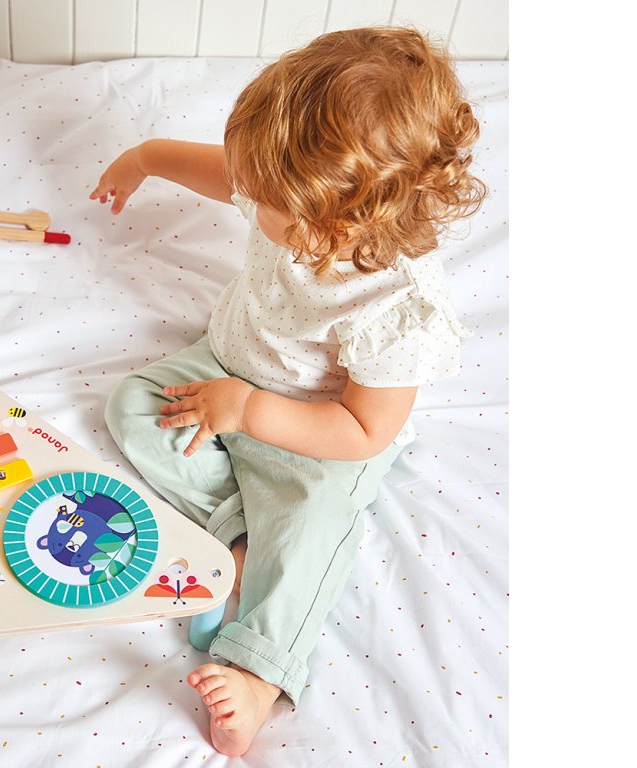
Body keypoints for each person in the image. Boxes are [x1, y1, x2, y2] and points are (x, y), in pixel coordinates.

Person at [89, 27, 486, 757]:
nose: (244, 192)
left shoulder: (397, 308)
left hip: (321, 436)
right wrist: (143, 157)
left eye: (260, 192)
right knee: (134, 406)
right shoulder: (291, 192)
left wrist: (250, 412)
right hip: (228, 369)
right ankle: (241, 536)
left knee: (312, 535)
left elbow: (365, 432)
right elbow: (226, 172)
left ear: (326, 223)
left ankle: (260, 672)